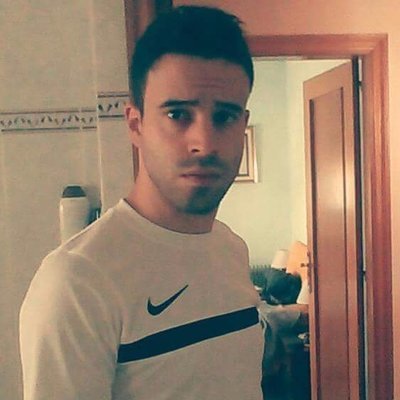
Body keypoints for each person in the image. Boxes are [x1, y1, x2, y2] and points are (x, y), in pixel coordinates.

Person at [19, 6, 264, 400]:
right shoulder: (77, 282)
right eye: (178, 114)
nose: (204, 143)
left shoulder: (231, 250)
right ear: (136, 125)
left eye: (225, 117)